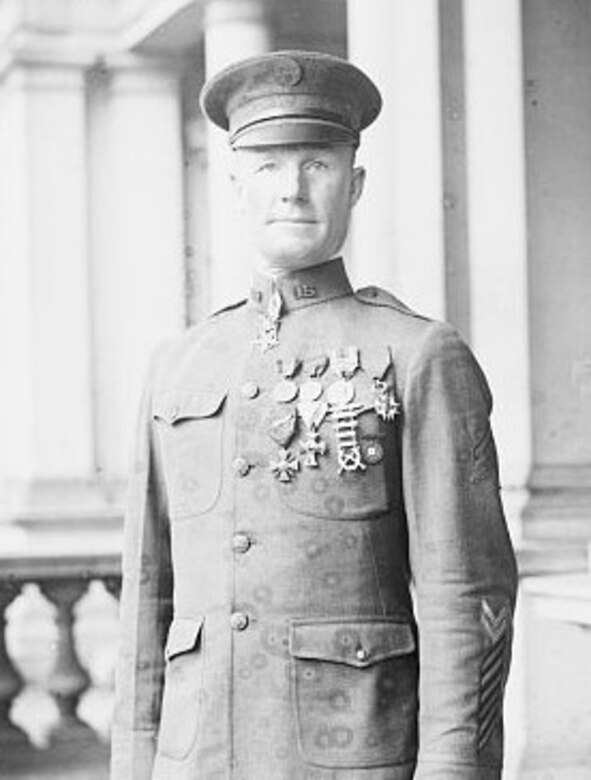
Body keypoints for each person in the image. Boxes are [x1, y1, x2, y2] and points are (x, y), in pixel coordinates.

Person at [111, 50, 518, 780]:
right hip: (195, 759)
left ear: (353, 184)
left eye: (316, 165)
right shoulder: (179, 364)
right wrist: (134, 764)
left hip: (355, 758)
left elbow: (468, 595)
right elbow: (148, 597)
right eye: (266, 167)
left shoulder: (417, 353)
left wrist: (454, 768)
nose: (290, 191)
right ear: (234, 186)